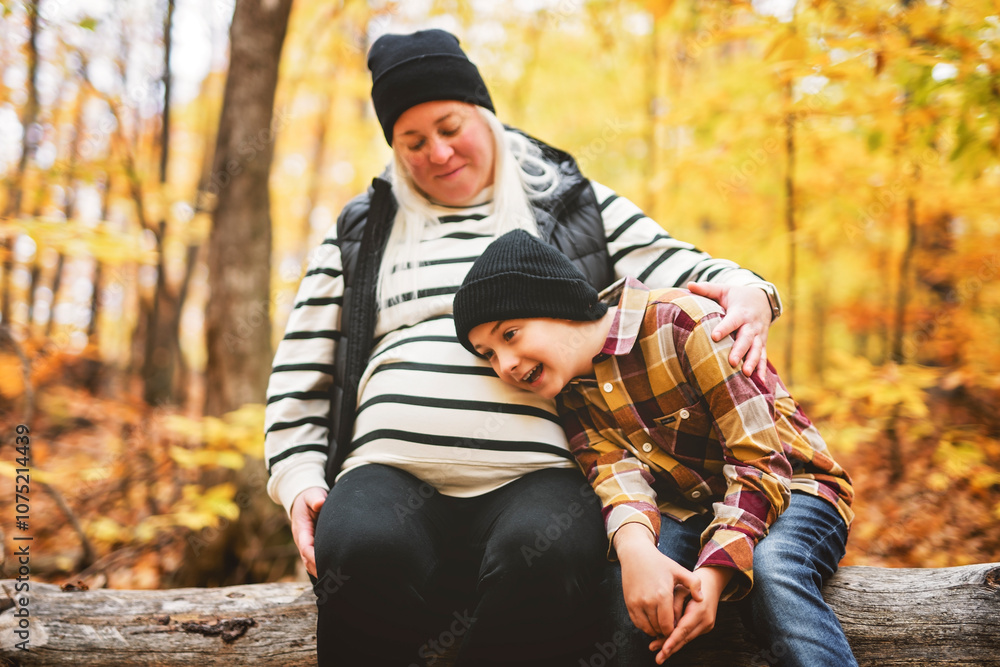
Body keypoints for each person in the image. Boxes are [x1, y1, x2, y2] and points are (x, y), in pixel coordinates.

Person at [264, 28, 784, 666]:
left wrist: (746, 285)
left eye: (450, 126)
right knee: (361, 552)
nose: (438, 152)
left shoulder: (564, 199)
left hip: (543, 472)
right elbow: (301, 368)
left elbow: (670, 259)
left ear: (484, 114)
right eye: (413, 141)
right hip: (389, 470)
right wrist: (295, 478)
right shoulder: (364, 226)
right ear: (395, 151)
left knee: (548, 557)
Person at [453, 229, 857, 667]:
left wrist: (715, 572)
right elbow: (617, 482)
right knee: (630, 596)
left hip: (796, 488)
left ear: (558, 304)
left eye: (509, 334)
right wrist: (637, 550)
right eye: (488, 354)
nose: (505, 365)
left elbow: (760, 460)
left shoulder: (683, 323)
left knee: (774, 572)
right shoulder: (569, 398)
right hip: (689, 507)